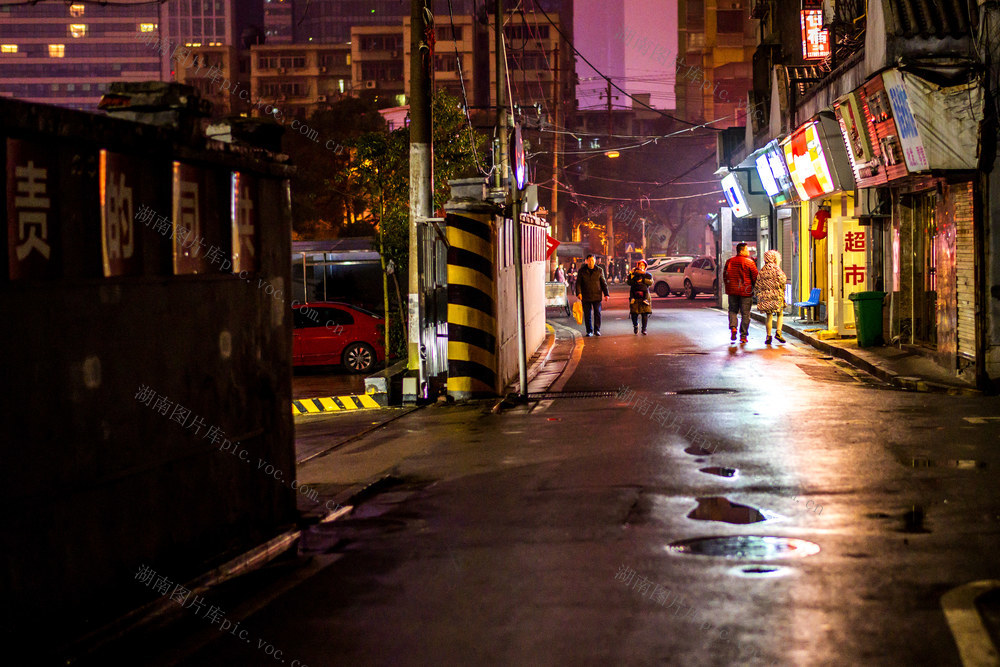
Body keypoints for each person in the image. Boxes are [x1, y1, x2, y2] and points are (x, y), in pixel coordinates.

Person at [723, 242, 759, 344]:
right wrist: (755, 288)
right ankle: (743, 336)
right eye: (747, 249)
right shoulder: (749, 262)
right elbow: (755, 277)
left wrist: (728, 287)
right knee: (745, 314)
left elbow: (725, 276)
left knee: (733, 310)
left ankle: (733, 327)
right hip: (746, 292)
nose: (748, 251)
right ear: (741, 250)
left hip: (732, 291)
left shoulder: (729, 261)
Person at [756, 249, 787, 344]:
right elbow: (783, 281)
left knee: (769, 315)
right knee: (780, 313)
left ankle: (768, 336)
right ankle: (778, 332)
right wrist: (782, 289)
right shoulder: (777, 269)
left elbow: (757, 285)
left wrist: (761, 293)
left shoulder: (762, 270)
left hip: (766, 297)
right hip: (777, 296)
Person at [575, 254, 609, 336]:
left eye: (592, 260)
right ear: (586, 261)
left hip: (596, 295)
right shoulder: (582, 271)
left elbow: (603, 283)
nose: (591, 262)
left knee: (597, 313)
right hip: (586, 295)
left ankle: (597, 330)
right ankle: (589, 331)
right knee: (587, 314)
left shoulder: (599, 270)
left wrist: (606, 294)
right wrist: (579, 293)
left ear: (595, 261)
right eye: (589, 260)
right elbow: (578, 283)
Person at [627, 259, 653, 335]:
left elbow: (651, 282)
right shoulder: (634, 273)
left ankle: (644, 329)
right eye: (640, 265)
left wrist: (643, 280)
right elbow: (629, 282)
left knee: (645, 313)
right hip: (635, 296)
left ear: (645, 266)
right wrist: (634, 279)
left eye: (643, 265)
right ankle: (635, 325)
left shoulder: (647, 274)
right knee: (634, 313)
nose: (641, 266)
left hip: (645, 296)